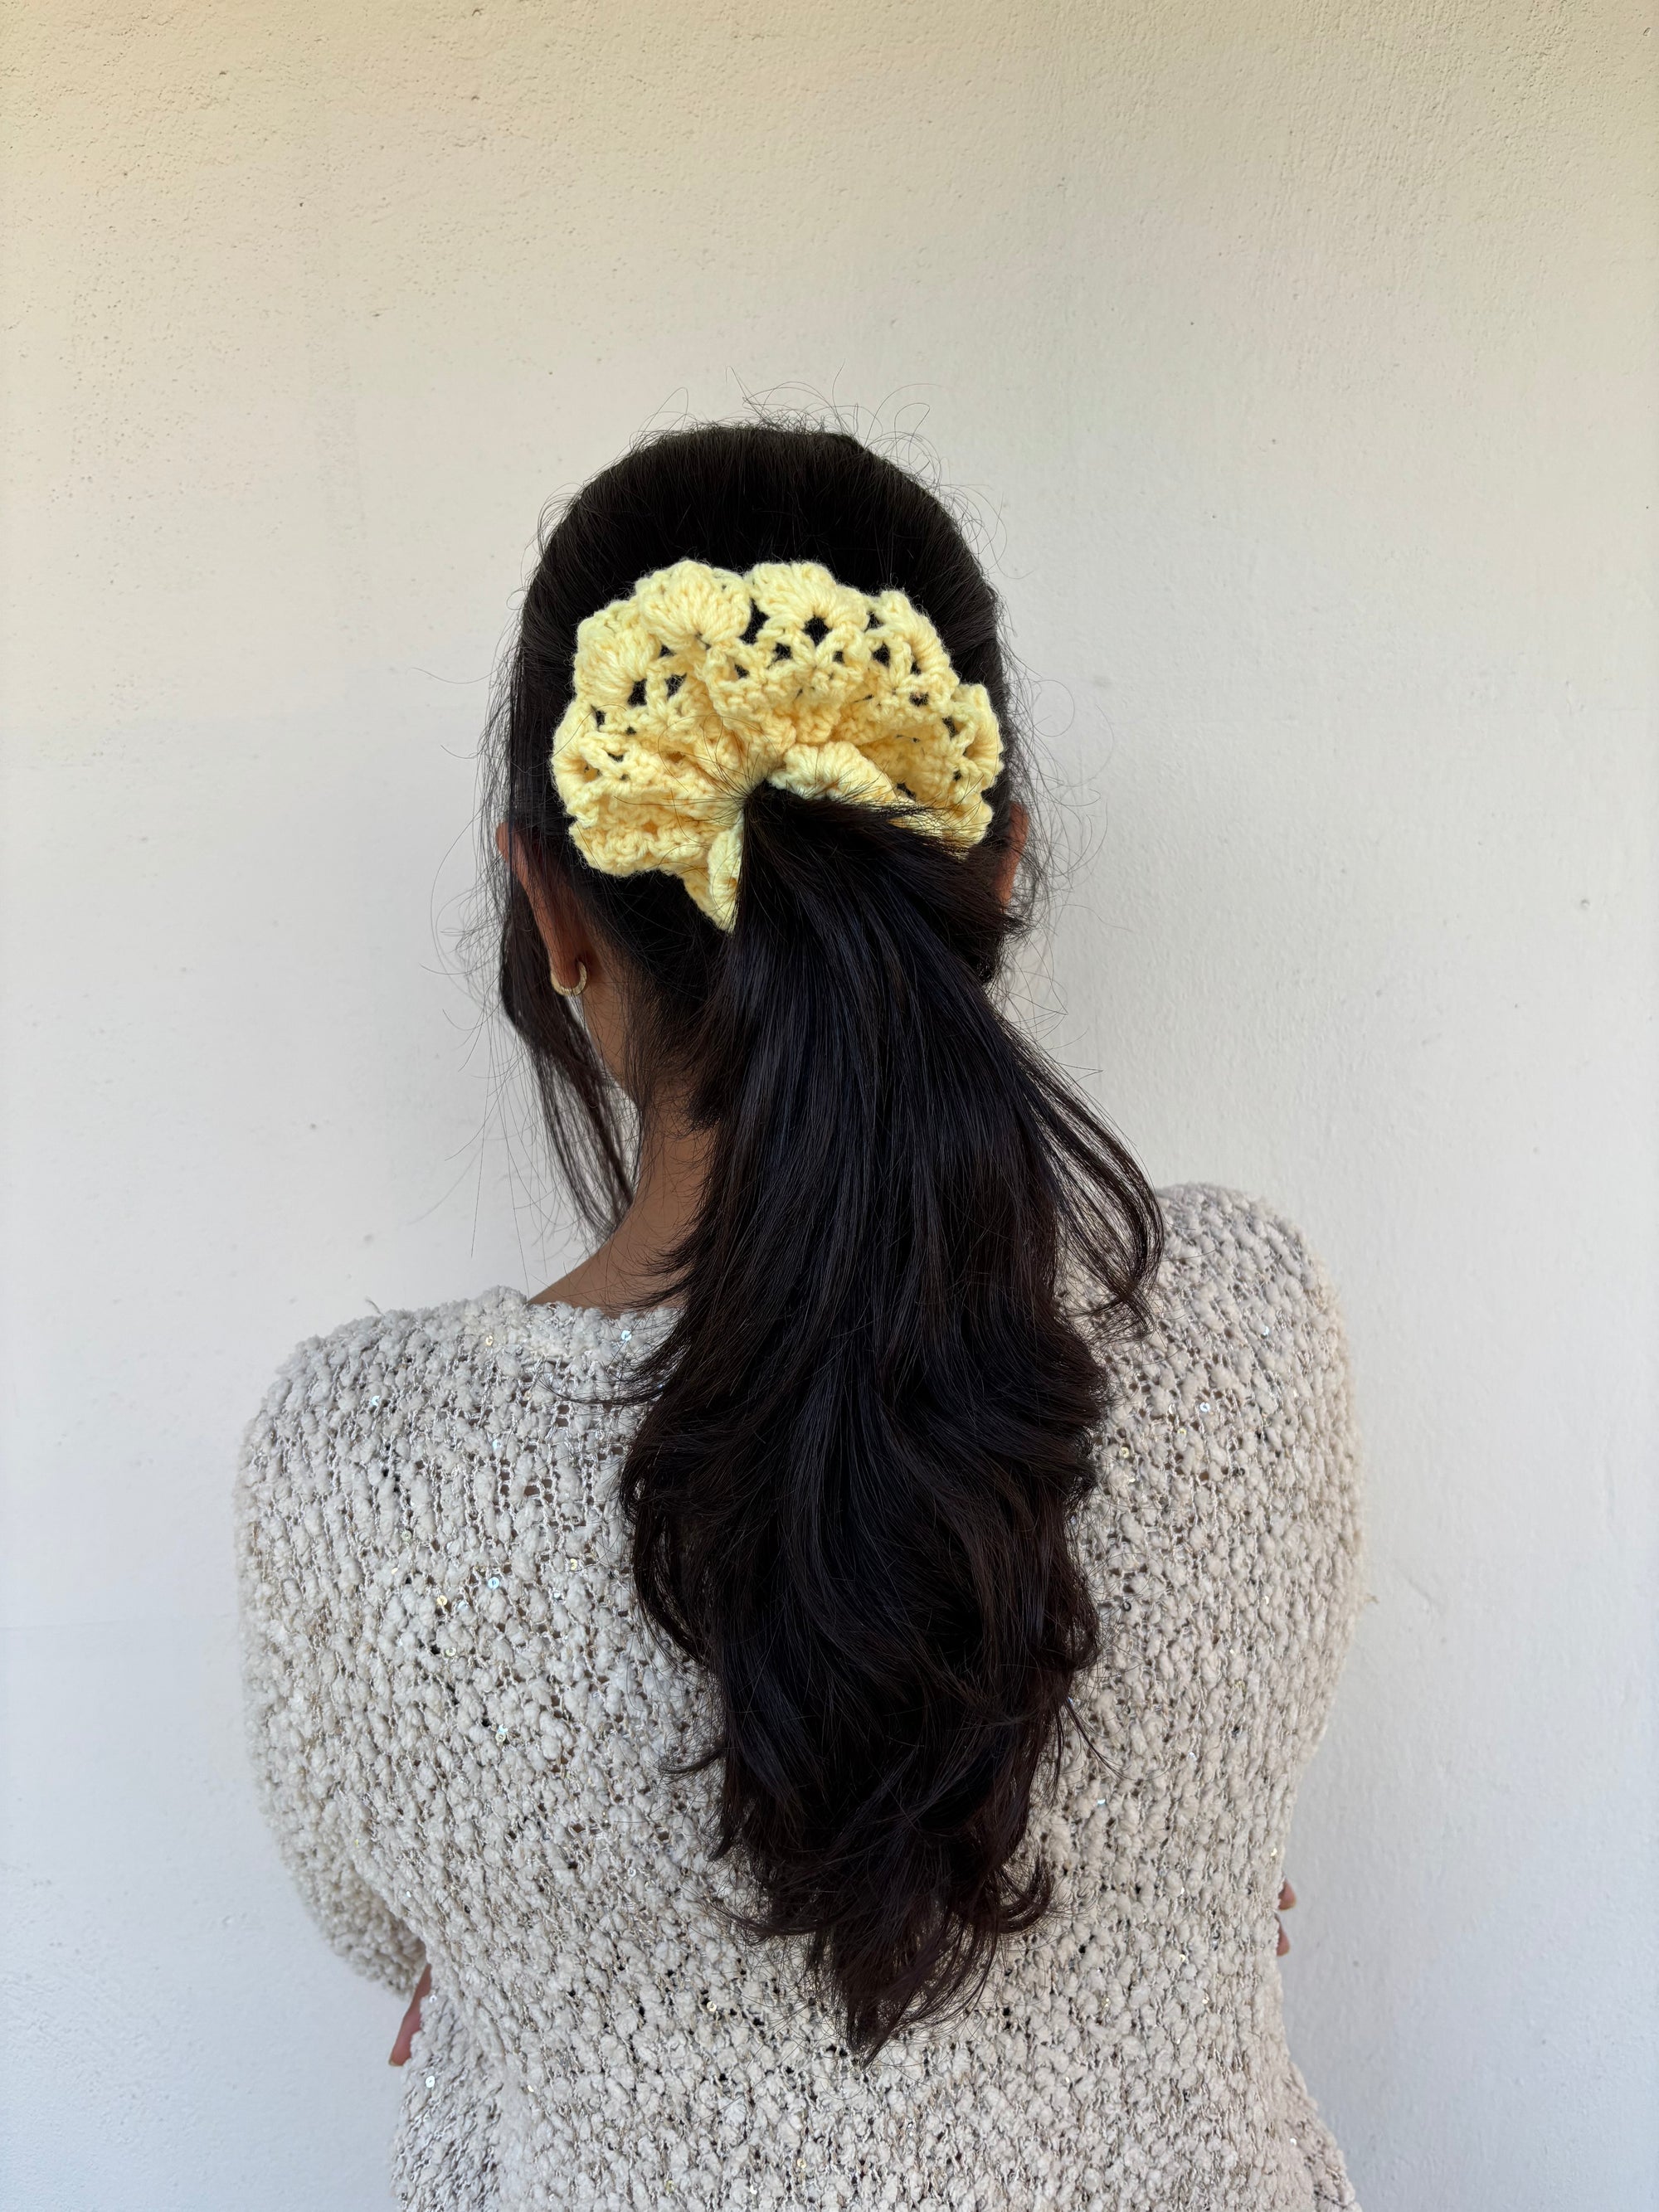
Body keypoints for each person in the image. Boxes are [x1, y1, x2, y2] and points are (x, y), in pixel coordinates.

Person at [237, 422, 1364, 2210]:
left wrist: (535, 1914)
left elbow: (393, 1933)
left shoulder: (360, 1474)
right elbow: (1219, 1813)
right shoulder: (1243, 1325)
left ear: (553, 906)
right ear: (998, 863)